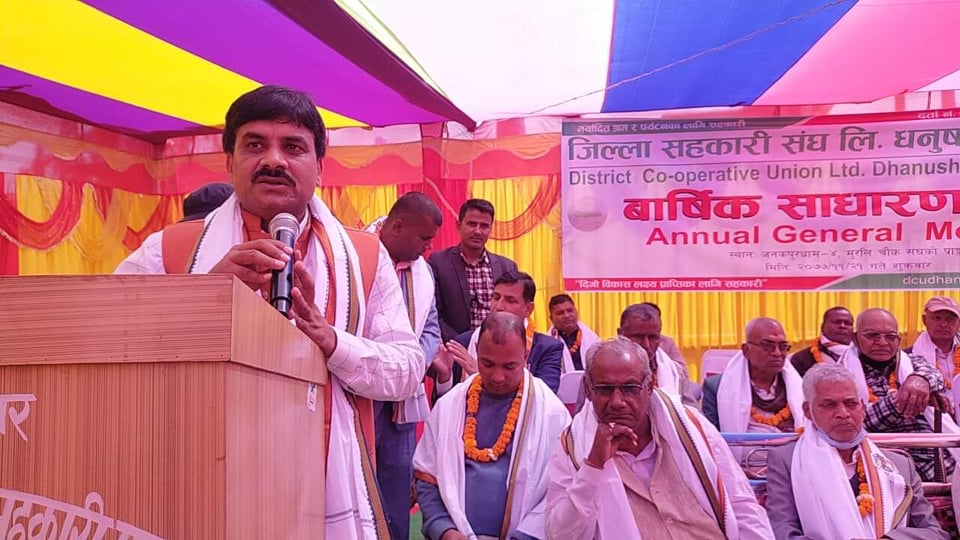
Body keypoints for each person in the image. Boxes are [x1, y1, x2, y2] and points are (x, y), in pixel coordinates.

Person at [115, 85, 424, 539]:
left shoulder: (365, 257)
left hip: (321, 484)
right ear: (230, 162)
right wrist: (205, 299)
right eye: (255, 144)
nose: (274, 160)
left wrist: (332, 342)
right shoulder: (169, 250)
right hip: (205, 479)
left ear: (319, 166)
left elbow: (408, 370)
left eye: (293, 147)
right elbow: (110, 344)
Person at [545, 339, 773, 539]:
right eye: (605, 389)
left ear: (650, 386)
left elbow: (742, 505)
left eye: (630, 388)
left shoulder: (691, 427)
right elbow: (560, 535)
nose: (617, 402)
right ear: (588, 389)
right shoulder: (572, 447)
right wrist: (593, 466)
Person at [413, 312, 571, 540]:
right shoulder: (449, 405)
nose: (497, 376)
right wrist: (444, 530)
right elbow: (427, 478)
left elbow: (560, 493)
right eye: (487, 364)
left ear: (525, 356)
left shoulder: (552, 413)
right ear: (476, 351)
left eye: (509, 367)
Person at [766, 363, 948, 539]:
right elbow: (781, 531)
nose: (843, 413)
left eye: (851, 403)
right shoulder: (787, 460)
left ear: (862, 408)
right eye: (829, 405)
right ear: (807, 411)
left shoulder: (898, 466)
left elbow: (934, 533)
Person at [365, 192, 443, 540]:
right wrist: (386, 366)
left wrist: (409, 366)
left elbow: (431, 329)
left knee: (397, 492)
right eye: (424, 238)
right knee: (359, 485)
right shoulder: (356, 256)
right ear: (397, 227)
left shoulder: (423, 273)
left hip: (403, 401)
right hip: (362, 393)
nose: (429, 247)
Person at [837, 308, 954, 481]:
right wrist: (905, 398)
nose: (882, 342)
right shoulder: (839, 375)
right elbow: (858, 421)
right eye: (872, 335)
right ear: (855, 338)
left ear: (898, 341)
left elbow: (934, 375)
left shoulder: (910, 362)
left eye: (890, 337)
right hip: (882, 470)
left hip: (940, 463)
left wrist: (919, 381)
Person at [434, 271, 564, 395]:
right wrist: (445, 378)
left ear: (528, 309)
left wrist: (479, 375)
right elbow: (446, 405)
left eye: (510, 300)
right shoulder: (463, 342)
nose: (499, 306)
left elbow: (545, 398)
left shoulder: (547, 348)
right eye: (496, 298)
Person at [429, 199, 518, 341]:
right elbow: (433, 314)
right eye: (472, 224)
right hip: (454, 347)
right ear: (459, 225)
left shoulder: (506, 267)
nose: (477, 231)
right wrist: (464, 344)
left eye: (484, 226)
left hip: (497, 347)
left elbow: (514, 313)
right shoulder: (439, 263)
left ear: (490, 229)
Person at [702, 318, 805, 435]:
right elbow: (711, 438)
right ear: (746, 350)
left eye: (783, 346)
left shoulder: (798, 388)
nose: (777, 353)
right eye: (767, 346)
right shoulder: (717, 388)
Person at [617, 304, 686, 399]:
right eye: (638, 337)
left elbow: (688, 405)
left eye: (653, 337)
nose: (646, 345)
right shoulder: (604, 370)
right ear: (620, 334)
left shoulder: (675, 373)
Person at [907, 296, 960, 391]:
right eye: (937, 318)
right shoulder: (907, 357)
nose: (943, 324)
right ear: (924, 320)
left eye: (950, 319)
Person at [790, 306, 854, 376]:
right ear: (822, 327)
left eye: (848, 323)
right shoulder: (802, 358)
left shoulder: (861, 354)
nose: (842, 326)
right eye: (836, 322)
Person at [547, 293, 600, 372]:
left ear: (576, 312)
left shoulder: (593, 339)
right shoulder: (546, 345)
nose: (566, 315)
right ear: (551, 318)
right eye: (560, 313)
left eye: (570, 311)